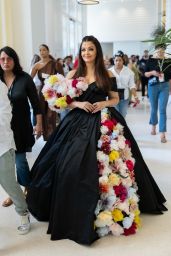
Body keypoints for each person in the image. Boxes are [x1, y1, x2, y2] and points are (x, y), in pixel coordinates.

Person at [26, 36, 167, 245]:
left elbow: (116, 99)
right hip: (77, 122)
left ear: (97, 52)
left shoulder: (106, 74)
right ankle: (73, 208)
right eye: (83, 49)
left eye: (90, 49)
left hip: (104, 121)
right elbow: (64, 101)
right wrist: (79, 105)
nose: (86, 53)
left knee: (112, 165)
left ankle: (111, 206)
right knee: (68, 163)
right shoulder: (73, 74)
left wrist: (103, 104)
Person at [0, 46, 42, 207]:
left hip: (21, 128)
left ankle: (27, 189)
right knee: (6, 166)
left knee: (20, 162)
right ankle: (14, 192)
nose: (5, 62)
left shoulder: (24, 78)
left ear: (14, 60)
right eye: (2, 59)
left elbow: (36, 104)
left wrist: (38, 124)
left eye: (9, 58)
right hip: (3, 130)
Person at [0, 80, 30, 234]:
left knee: (9, 183)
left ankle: (23, 212)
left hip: (2, 144)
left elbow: (5, 113)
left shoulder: (0, 86)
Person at [30, 44, 64, 141]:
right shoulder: (37, 65)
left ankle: (51, 138)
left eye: (44, 50)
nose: (42, 52)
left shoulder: (55, 63)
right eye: (40, 50)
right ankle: (46, 137)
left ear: (48, 51)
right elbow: (29, 80)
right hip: (42, 93)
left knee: (50, 116)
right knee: (43, 114)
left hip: (53, 93)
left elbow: (62, 79)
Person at [145, 44, 171, 143]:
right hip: (153, 86)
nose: (160, 52)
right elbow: (145, 74)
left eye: (162, 50)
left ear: (164, 51)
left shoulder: (168, 61)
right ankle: (153, 126)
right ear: (155, 50)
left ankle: (162, 133)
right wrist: (152, 73)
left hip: (164, 86)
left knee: (162, 109)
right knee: (154, 108)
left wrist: (170, 89)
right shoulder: (151, 60)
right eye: (158, 50)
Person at [109, 51, 139, 118]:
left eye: (120, 60)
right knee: (115, 116)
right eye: (116, 60)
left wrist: (136, 96)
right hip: (113, 96)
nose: (118, 62)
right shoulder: (109, 71)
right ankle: (116, 128)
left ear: (123, 61)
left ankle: (122, 128)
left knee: (122, 115)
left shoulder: (129, 72)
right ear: (113, 61)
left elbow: (132, 86)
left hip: (124, 97)